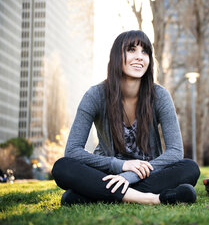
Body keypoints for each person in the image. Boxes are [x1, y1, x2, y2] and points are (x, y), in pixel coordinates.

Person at [52, 30, 200, 205]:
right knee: (63, 167)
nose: (139, 57)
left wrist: (130, 176)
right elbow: (72, 151)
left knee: (189, 168)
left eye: (145, 52)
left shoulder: (160, 96)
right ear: (116, 56)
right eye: (131, 50)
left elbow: (175, 152)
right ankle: (151, 198)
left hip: (148, 174)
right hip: (108, 175)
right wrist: (120, 166)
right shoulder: (95, 95)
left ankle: (96, 194)